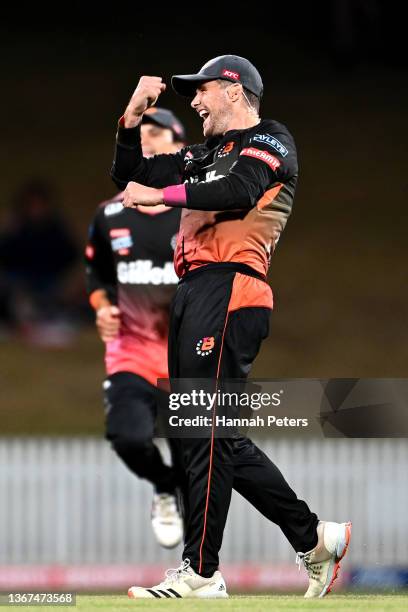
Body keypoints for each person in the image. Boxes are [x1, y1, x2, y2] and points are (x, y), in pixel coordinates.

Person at [111, 55, 351, 599]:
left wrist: (163, 196)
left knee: (206, 430)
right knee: (204, 431)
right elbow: (134, 176)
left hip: (232, 286)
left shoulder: (270, 138)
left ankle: (201, 571)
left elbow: (240, 190)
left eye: (202, 91)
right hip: (195, 290)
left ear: (234, 90)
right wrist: (129, 121)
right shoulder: (202, 154)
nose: (193, 102)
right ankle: (314, 537)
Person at [85, 108, 186, 548]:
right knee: (127, 439)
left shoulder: (195, 214)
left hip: (188, 358)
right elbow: (98, 277)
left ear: (181, 148)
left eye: (158, 132)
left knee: (198, 463)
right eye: (140, 133)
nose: (146, 139)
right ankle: (163, 487)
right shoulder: (109, 216)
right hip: (130, 355)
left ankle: (199, 571)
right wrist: (102, 307)